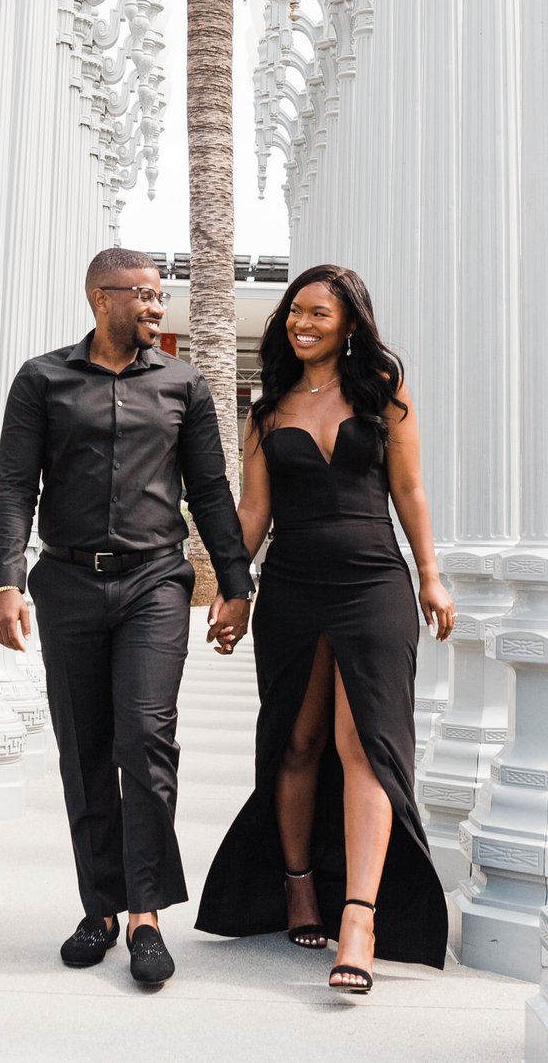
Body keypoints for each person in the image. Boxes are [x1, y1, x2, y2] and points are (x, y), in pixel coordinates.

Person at [0, 247, 254, 990]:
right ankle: (98, 907)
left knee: (144, 737)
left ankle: (145, 914)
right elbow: (16, 486)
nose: (156, 308)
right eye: (143, 294)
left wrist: (236, 584)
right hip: (68, 582)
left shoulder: (184, 384)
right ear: (100, 297)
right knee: (84, 749)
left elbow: (209, 489)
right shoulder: (42, 379)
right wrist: (6, 580)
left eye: (159, 296)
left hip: (153, 583)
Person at [195, 263, 452, 993]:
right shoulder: (268, 406)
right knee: (299, 741)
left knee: (363, 742)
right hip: (292, 587)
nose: (302, 323)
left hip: (374, 582)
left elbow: (409, 489)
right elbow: (253, 512)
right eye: (295, 312)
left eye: (319, 313)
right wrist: (232, 587)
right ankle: (299, 884)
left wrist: (430, 574)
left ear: (349, 324)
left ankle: (360, 919)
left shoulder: (382, 390)